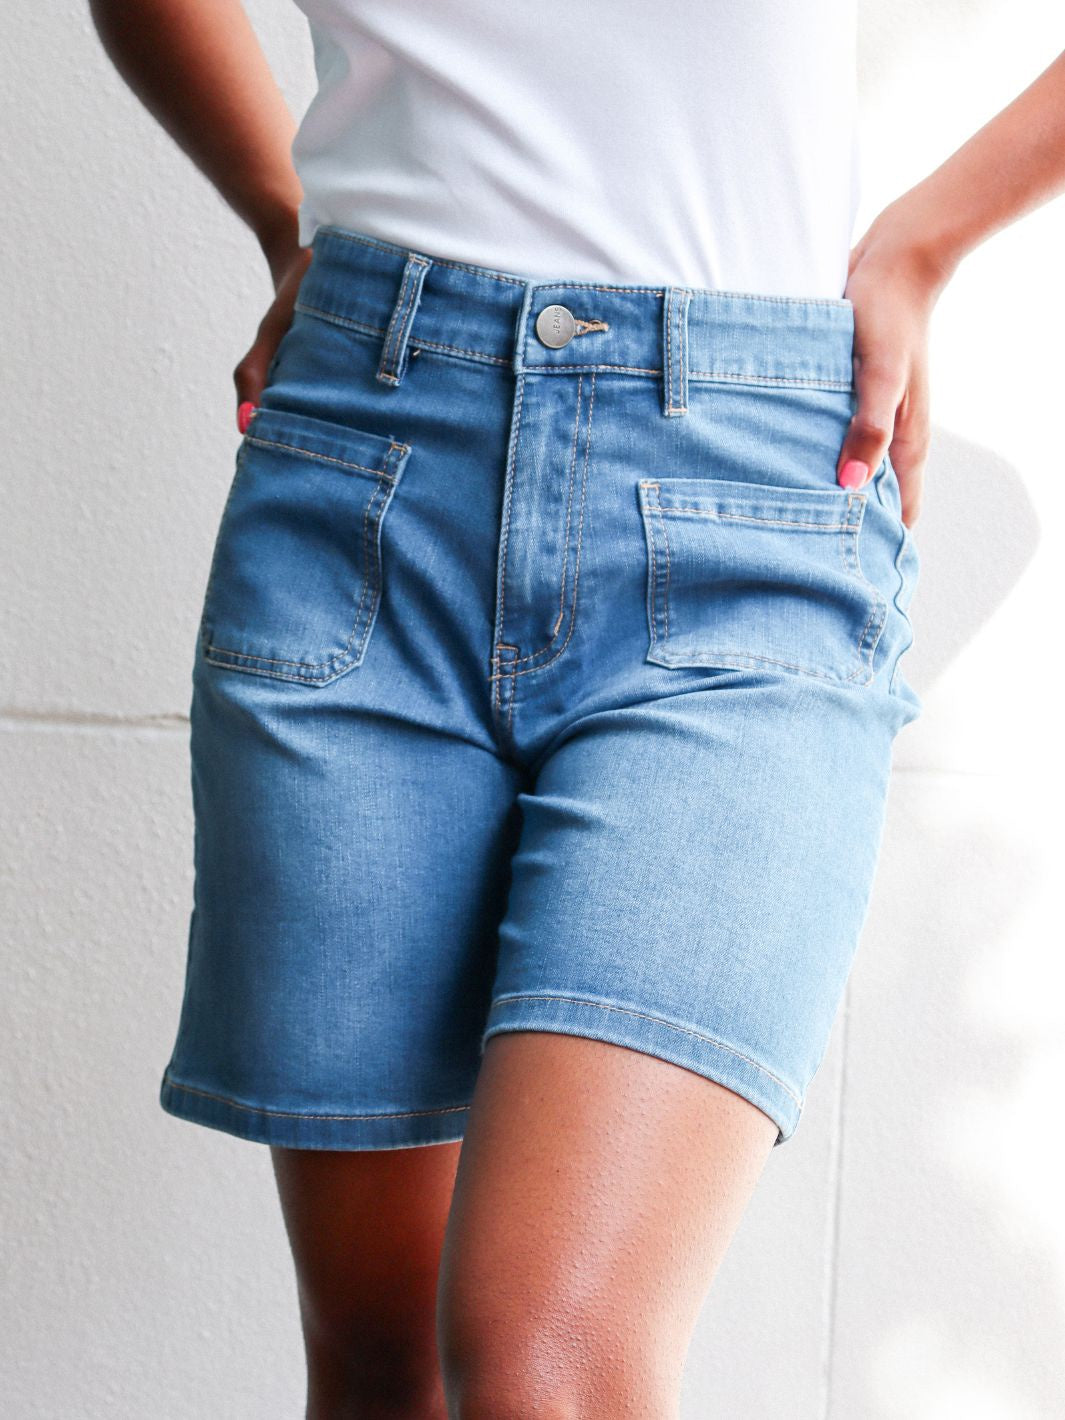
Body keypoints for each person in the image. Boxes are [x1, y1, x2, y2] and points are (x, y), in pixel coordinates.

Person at [91, 2, 1065, 1415]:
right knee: (382, 1352)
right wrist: (281, 214)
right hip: (369, 462)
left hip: (749, 489)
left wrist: (926, 240)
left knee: (549, 1356)